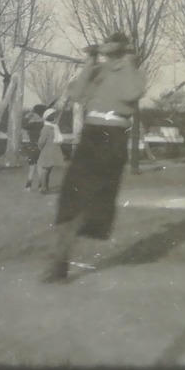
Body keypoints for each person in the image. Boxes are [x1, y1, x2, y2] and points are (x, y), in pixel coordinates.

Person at [42, 32, 147, 283]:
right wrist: (89, 64)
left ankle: (63, 257)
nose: (108, 58)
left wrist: (129, 64)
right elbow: (76, 94)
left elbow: (131, 94)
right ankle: (60, 261)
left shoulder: (132, 72)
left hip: (112, 136)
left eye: (113, 54)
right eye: (105, 54)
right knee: (71, 197)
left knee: (93, 202)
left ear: (124, 53)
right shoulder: (98, 70)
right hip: (90, 135)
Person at [31, 105, 62, 193]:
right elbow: (41, 141)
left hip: (52, 151)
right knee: (45, 169)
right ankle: (43, 188)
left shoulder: (54, 128)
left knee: (48, 169)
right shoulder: (46, 128)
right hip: (47, 150)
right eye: (54, 117)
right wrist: (41, 148)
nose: (56, 119)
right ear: (50, 119)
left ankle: (46, 187)